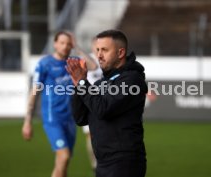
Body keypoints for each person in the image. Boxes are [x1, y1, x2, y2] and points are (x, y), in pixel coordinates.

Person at [66, 29, 147, 177]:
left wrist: (82, 82)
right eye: (97, 50)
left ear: (120, 53)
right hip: (103, 162)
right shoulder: (100, 83)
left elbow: (103, 109)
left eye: (104, 50)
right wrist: (77, 84)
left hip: (124, 163)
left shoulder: (132, 80)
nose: (99, 55)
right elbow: (81, 118)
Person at [21, 30, 97, 177]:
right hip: (53, 118)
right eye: (62, 43)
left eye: (68, 44)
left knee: (62, 163)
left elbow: (93, 66)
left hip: (71, 119)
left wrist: (77, 47)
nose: (65, 46)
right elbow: (34, 92)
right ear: (55, 44)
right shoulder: (45, 64)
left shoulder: (74, 61)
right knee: (64, 156)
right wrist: (27, 121)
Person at [82, 37, 102, 170]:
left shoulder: (108, 60)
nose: (98, 50)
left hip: (105, 102)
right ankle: (95, 163)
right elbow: (93, 67)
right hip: (89, 103)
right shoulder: (87, 59)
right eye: (96, 46)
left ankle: (102, 162)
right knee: (91, 136)